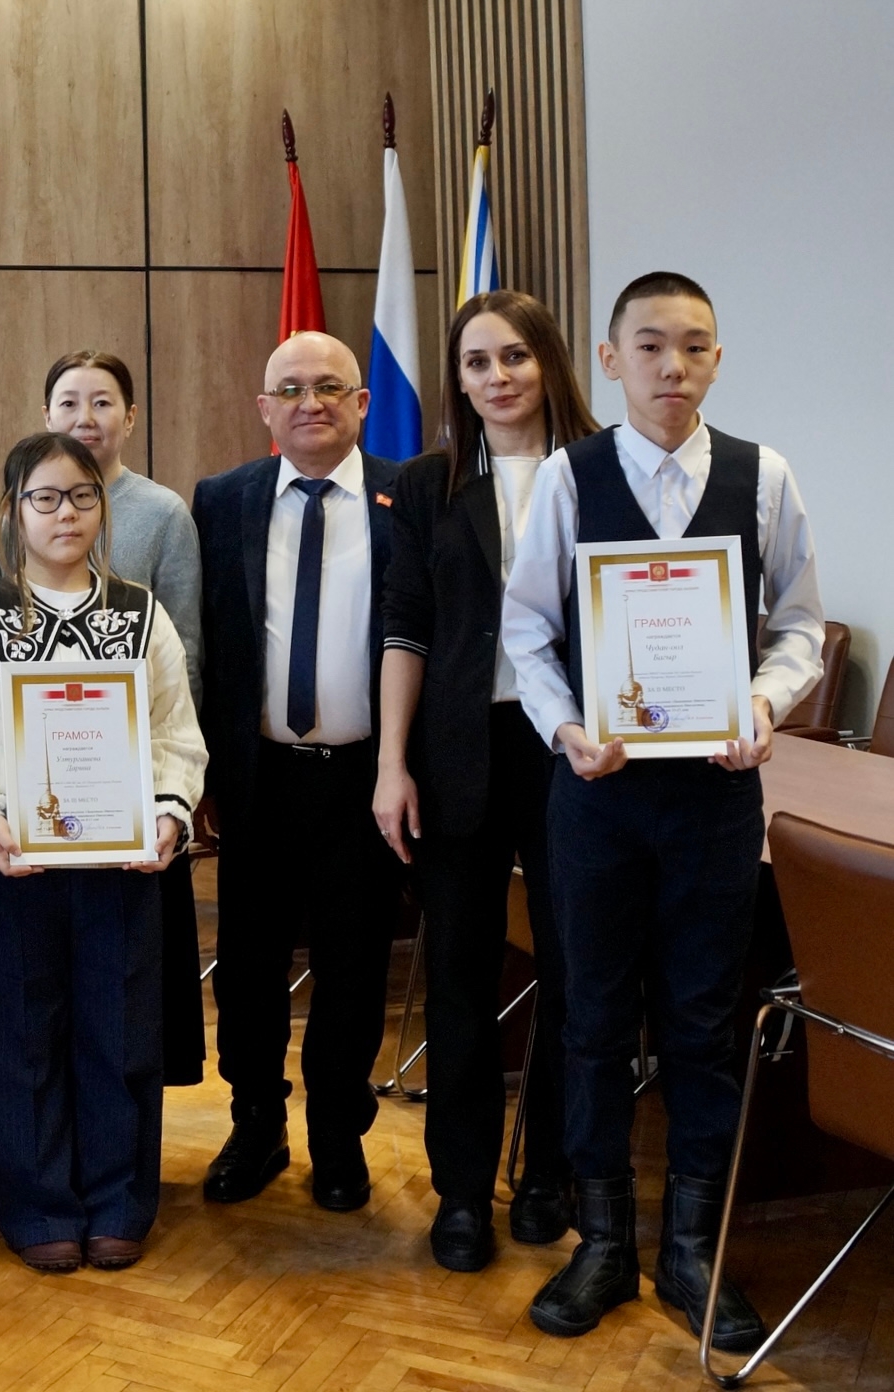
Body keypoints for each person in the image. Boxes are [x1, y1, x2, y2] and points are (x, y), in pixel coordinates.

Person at [504, 272, 822, 1351]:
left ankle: (692, 1249)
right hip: (596, 794)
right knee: (592, 1018)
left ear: (717, 360)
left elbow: (798, 627)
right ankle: (602, 1243)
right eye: (649, 346)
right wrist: (564, 727)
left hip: (715, 799)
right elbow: (527, 630)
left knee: (701, 1021)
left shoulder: (762, 476)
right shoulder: (568, 475)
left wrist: (763, 704)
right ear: (610, 360)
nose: (671, 367)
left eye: (693, 346)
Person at [0, 432, 205, 1275]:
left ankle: (120, 1201)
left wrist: (168, 813)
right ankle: (39, 1204)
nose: (65, 514)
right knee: (23, 1037)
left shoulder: (138, 615)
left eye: (82, 497)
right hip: (15, 870)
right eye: (44, 498)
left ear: (102, 507)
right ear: (13, 511)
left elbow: (174, 733)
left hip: (123, 868)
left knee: (121, 1033)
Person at [373, 291, 601, 1273]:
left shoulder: (601, 471)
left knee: (574, 976)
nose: (496, 377)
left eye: (513, 356)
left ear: (548, 361)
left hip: (574, 755)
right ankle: (461, 1192)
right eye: (476, 362)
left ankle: (548, 1174)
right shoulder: (428, 484)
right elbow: (405, 629)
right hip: (459, 754)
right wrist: (390, 763)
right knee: (462, 981)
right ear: (457, 380)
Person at [192, 331, 403, 1214]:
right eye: (290, 389)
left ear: (362, 402)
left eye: (329, 387)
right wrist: (202, 772)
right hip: (257, 775)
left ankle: (338, 1135)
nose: (309, 402)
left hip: (365, 778)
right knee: (248, 961)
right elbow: (205, 644)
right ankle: (256, 1124)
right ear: (264, 408)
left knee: (354, 964)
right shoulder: (223, 500)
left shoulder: (406, 498)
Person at [41, 349, 208, 1090]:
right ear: (47, 416)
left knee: (133, 981)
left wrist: (167, 785)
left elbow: (186, 653)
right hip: (47, 778)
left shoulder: (163, 513)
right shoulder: (22, 504)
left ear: (131, 417)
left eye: (103, 402)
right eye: (69, 402)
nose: (86, 418)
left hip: (136, 779)